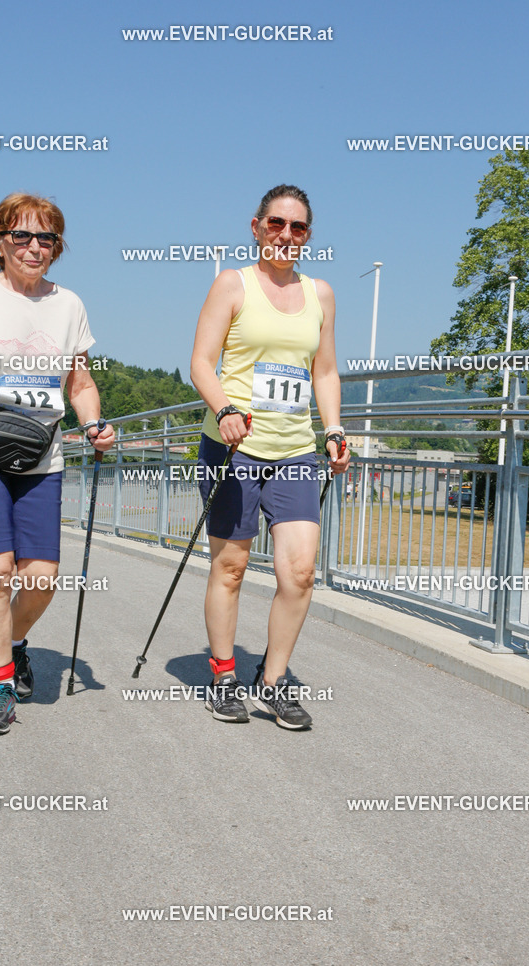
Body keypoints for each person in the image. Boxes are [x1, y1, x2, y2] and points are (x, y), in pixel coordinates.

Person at [0, 193, 115, 736]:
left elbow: (79, 382)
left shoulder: (69, 305)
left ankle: (10, 642)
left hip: (42, 454)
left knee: (42, 577)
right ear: (0, 241)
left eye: (46, 238)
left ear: (57, 246)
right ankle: (1, 685)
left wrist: (94, 421)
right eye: (22, 236)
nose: (34, 248)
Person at [190, 184, 350, 730]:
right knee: (231, 567)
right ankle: (223, 675)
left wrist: (332, 429)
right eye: (276, 224)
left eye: (298, 227)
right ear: (256, 227)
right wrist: (225, 407)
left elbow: (323, 372)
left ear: (308, 236)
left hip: (295, 450)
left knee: (300, 572)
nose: (286, 235)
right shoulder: (232, 284)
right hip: (234, 445)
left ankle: (272, 680)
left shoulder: (321, 294)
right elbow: (201, 363)